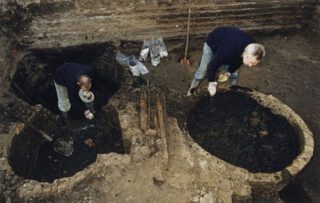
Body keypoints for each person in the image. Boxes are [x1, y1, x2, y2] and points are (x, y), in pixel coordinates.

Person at [187, 26, 266, 96]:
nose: (250, 66)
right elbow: (212, 65)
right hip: (213, 43)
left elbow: (239, 61)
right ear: (246, 56)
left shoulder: (251, 47)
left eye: (253, 64)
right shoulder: (227, 52)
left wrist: (229, 72)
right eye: (251, 63)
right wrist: (212, 83)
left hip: (228, 44)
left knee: (233, 74)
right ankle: (190, 92)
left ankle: (230, 92)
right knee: (203, 70)